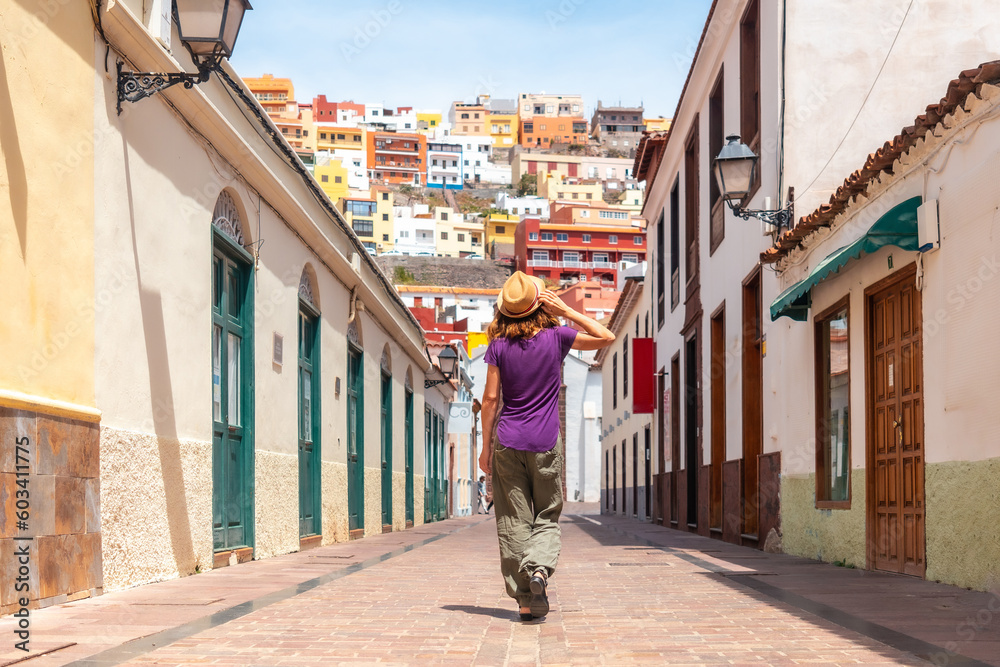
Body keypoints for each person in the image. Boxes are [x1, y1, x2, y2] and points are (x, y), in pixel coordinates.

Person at [478, 271, 615, 621]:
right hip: (546, 441)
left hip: (508, 442)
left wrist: (485, 448)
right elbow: (606, 336)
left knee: (513, 520)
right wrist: (567, 311)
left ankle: (526, 601)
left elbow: (491, 399)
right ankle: (540, 569)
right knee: (547, 514)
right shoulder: (557, 338)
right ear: (541, 304)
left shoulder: (497, 347)